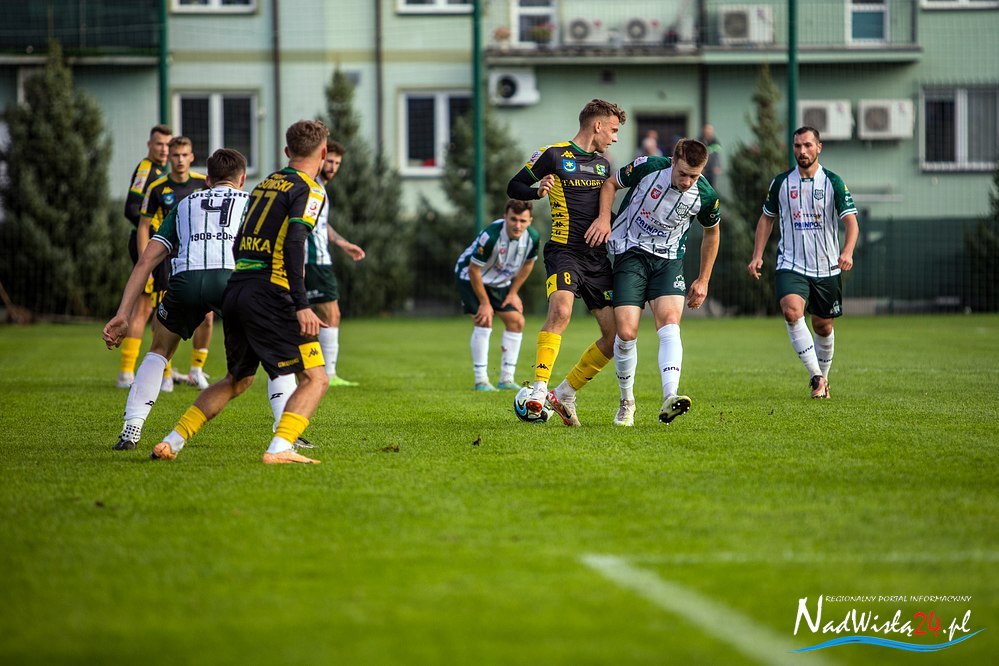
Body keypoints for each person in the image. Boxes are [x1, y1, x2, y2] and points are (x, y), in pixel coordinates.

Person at [146, 119, 331, 464]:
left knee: (238, 379)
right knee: (315, 378)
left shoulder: (264, 185)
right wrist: (301, 303)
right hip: (272, 294)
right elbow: (295, 243)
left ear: (287, 151)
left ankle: (172, 441)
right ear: (323, 153)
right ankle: (280, 448)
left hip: (238, 287)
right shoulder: (311, 190)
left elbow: (239, 238)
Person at [103, 149, 249, 451]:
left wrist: (123, 313)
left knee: (159, 350)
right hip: (230, 282)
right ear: (243, 179)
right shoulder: (250, 202)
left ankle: (131, 428)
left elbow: (146, 261)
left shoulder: (185, 205)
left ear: (207, 180)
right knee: (273, 354)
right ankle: (286, 436)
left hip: (185, 282)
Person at [507, 98, 626, 427]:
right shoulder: (553, 154)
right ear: (597, 125)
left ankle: (564, 393)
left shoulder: (604, 166)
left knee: (616, 337)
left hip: (597, 259)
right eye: (613, 130)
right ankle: (538, 390)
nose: (615, 137)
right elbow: (514, 185)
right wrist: (537, 191)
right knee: (561, 311)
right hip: (564, 252)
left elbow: (606, 212)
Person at [590, 139, 721, 426]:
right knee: (626, 333)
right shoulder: (648, 167)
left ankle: (670, 396)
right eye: (683, 173)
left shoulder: (705, 195)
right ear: (673, 161)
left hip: (668, 261)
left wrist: (703, 279)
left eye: (694, 176)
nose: (687, 181)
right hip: (630, 253)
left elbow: (712, 233)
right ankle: (627, 402)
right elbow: (610, 184)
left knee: (670, 322)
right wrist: (604, 219)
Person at [747, 126, 859, 399]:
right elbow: (767, 218)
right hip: (791, 263)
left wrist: (847, 252)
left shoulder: (833, 182)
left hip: (827, 266)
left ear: (819, 147)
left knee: (823, 326)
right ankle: (816, 376)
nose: (802, 151)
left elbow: (851, 222)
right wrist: (757, 255)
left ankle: (824, 380)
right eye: (797, 146)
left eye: (808, 145)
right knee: (791, 312)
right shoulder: (781, 183)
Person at [137, 136, 210, 391]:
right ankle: (165, 373)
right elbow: (143, 226)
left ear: (192, 157)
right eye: (176, 155)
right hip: (167, 259)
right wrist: (145, 263)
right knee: (163, 316)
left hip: (198, 257)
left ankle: (196, 370)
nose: (180, 160)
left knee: (207, 316)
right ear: (169, 157)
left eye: (184, 155)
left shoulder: (204, 183)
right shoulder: (157, 187)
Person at [454, 199, 539, 391]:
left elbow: (528, 264)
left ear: (530, 221)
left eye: (523, 221)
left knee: (517, 321)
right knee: (484, 320)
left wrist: (513, 293)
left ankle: (506, 379)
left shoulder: (532, 238)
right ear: (505, 217)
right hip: (470, 277)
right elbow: (474, 270)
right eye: (513, 219)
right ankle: (481, 381)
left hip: (499, 281)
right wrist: (485, 303)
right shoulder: (491, 236)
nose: (518, 225)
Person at [305, 139, 365, 387]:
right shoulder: (312, 187)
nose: (332, 167)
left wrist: (342, 243)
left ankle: (312, 370)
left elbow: (320, 223)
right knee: (331, 314)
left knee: (316, 317)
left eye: (337, 163)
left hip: (317, 259)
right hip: (314, 261)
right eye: (329, 161)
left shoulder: (319, 188)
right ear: (320, 158)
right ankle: (327, 374)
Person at [117, 124, 172, 389]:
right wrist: (152, 232)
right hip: (148, 246)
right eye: (159, 144)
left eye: (168, 145)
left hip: (157, 246)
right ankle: (127, 372)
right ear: (149, 145)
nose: (164, 149)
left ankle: (161, 370)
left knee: (157, 307)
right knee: (144, 308)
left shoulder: (161, 172)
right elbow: (131, 208)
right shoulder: (146, 169)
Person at [698, 123, 723, 188]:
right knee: (702, 188)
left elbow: (718, 155)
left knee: (711, 188)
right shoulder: (699, 141)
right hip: (702, 170)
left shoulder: (715, 142)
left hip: (712, 170)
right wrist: (699, 167)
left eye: (710, 129)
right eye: (707, 129)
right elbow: (696, 155)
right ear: (703, 130)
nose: (708, 131)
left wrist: (718, 166)